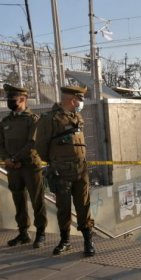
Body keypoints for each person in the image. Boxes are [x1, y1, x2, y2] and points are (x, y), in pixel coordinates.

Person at [35, 85, 95, 257]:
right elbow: (41, 147)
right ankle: (65, 241)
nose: (81, 103)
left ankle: (88, 240)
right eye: (80, 99)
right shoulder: (49, 119)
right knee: (63, 208)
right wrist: (56, 162)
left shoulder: (77, 116)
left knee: (84, 206)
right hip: (61, 172)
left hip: (81, 170)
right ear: (72, 100)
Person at [0, 84, 47, 248]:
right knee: (18, 199)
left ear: (23, 99)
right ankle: (23, 233)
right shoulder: (6, 121)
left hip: (30, 166)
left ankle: (40, 232)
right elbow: (1, 144)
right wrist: (7, 159)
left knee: (37, 200)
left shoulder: (33, 120)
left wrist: (15, 158)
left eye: (12, 99)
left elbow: (32, 143)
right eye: (8, 99)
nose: (9, 102)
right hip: (13, 168)